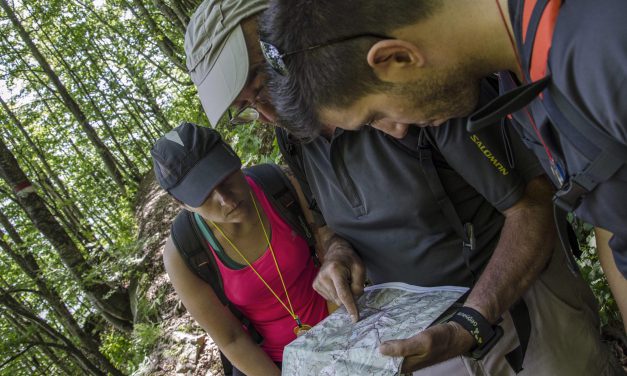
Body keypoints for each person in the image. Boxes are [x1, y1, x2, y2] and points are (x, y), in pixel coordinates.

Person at [183, 1, 619, 374]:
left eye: (264, 85)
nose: (267, 113)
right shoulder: (296, 138)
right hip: (424, 339)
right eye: (247, 106)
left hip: (522, 312)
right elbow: (324, 219)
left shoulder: (418, 90)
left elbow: (532, 203)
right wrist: (336, 252)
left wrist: (472, 320)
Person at [151, 123, 329, 376]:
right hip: (273, 362)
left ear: (232, 158)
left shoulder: (277, 187)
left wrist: (342, 333)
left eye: (224, 177)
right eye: (204, 194)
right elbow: (231, 339)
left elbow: (327, 247)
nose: (226, 199)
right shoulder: (185, 253)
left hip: (338, 317)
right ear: (183, 203)